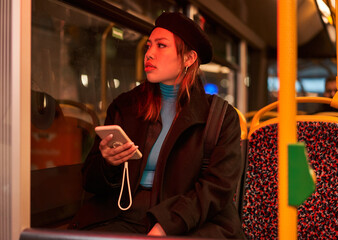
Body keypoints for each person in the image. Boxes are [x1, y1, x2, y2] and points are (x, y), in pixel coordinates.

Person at [69, 12, 246, 239]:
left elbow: (217, 188)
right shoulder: (125, 107)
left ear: (189, 58)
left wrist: (166, 225)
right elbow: (90, 181)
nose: (149, 54)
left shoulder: (221, 117)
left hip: (190, 218)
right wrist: (108, 163)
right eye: (148, 46)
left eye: (161, 46)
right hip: (126, 213)